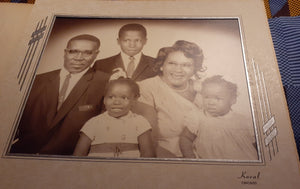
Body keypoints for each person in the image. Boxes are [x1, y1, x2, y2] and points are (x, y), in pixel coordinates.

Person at [10, 34, 110, 155]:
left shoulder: (105, 83)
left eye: (87, 53)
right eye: (74, 51)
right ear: (65, 52)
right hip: (23, 154)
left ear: (96, 54)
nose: (79, 58)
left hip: (69, 159)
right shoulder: (35, 81)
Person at [137, 40, 205, 158]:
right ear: (162, 66)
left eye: (186, 65)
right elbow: (146, 141)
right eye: (172, 63)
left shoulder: (204, 90)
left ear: (195, 69)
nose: (178, 70)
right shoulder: (146, 88)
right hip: (165, 159)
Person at [179, 75, 258, 160]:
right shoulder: (198, 117)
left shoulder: (244, 121)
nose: (211, 102)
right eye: (206, 97)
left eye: (217, 98)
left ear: (233, 100)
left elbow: (255, 145)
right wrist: (191, 157)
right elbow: (185, 138)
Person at [73, 77, 155, 158]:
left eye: (124, 98)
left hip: (130, 170)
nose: (116, 102)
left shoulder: (140, 122)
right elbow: (79, 154)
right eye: (111, 97)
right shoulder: (94, 123)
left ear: (134, 100)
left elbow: (148, 154)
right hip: (98, 170)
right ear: (104, 99)